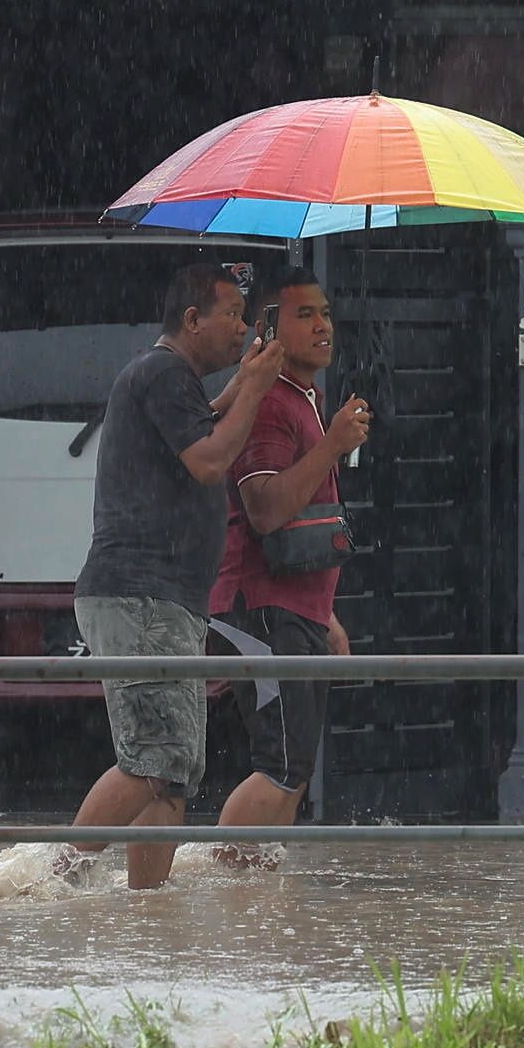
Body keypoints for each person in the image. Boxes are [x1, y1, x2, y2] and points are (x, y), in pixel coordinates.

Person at [64, 261, 289, 887]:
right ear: (193, 319)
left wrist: (240, 385)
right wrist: (255, 390)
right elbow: (210, 459)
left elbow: (201, 425)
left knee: (175, 768)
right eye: (233, 316)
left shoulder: (171, 380)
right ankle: (57, 875)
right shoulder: (163, 371)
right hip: (142, 595)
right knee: (153, 757)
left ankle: (148, 904)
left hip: (166, 599)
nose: (244, 328)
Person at [210, 270, 371, 841]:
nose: (323, 325)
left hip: (297, 609)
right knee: (279, 764)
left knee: (295, 766)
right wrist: (332, 445)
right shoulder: (268, 402)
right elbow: (265, 509)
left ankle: (257, 884)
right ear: (269, 327)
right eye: (305, 315)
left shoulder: (306, 399)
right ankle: (225, 881)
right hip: (259, 608)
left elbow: (301, 526)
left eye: (325, 313)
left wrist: (325, 614)